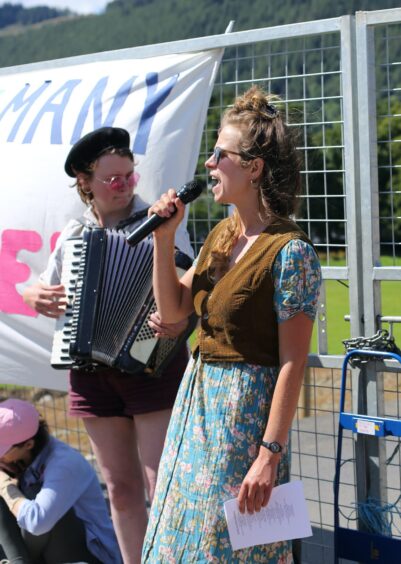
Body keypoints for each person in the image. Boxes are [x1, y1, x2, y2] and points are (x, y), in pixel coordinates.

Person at [141, 86, 322, 562]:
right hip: (196, 406)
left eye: (220, 154)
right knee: (181, 539)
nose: (209, 164)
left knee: (226, 547)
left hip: (242, 417)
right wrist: (164, 239)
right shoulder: (223, 234)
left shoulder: (291, 252)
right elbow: (178, 310)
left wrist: (268, 454)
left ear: (254, 168)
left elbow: (292, 363)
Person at [22, 127, 192, 564]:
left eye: (129, 176)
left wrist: (175, 316)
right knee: (119, 486)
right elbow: (41, 287)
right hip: (91, 374)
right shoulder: (73, 234)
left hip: (153, 364)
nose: (123, 186)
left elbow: (191, 288)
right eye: (111, 179)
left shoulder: (163, 220)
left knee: (163, 484)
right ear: (85, 183)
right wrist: (34, 294)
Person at [0, 398, 121, 564]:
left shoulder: (64, 463)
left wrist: (7, 488)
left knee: (31, 497)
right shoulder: (22, 457)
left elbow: (37, 522)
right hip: (47, 548)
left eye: (3, 449)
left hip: (88, 555)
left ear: (28, 444)